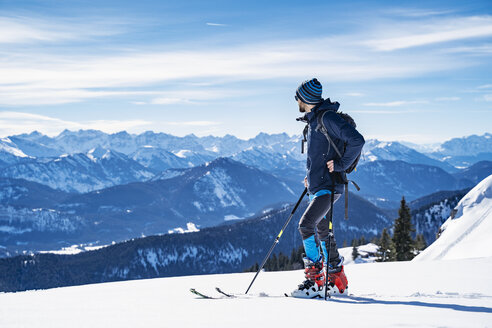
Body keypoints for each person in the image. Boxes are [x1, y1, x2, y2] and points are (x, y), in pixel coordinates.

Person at [291, 78, 365, 298]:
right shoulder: (314, 121)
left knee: (306, 225)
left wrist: (341, 165)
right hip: (320, 185)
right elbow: (319, 156)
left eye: (298, 97)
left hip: (330, 186)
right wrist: (310, 178)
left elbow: (357, 141)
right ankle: (337, 281)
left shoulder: (327, 118)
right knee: (323, 230)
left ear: (306, 99)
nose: (296, 100)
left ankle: (315, 282)